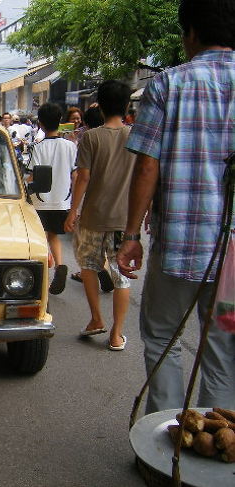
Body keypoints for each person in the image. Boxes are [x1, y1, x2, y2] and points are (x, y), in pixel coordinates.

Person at [117, 0, 235, 413]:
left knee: (164, 340)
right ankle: (216, 442)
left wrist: (131, 236)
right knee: (222, 347)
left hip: (181, 245)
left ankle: (165, 443)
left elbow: (148, 164)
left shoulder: (170, 84)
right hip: (233, 257)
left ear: (191, 33)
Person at [64, 80, 137, 351]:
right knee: (121, 277)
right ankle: (116, 335)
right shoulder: (136, 136)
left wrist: (73, 211)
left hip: (93, 218)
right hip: (124, 220)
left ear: (100, 106)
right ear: (127, 106)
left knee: (88, 268)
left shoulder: (91, 137)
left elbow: (83, 177)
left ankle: (96, 318)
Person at [27, 103, 78, 295]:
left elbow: (32, 176)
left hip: (40, 200)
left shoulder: (37, 148)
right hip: (62, 200)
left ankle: (45, 278)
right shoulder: (70, 146)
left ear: (40, 123)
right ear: (60, 121)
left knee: (40, 238)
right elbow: (75, 175)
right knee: (53, 235)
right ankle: (60, 265)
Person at [69, 105, 113, 291]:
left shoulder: (85, 138)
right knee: (107, 239)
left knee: (84, 241)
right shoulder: (121, 136)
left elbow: (81, 175)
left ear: (86, 122)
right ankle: (103, 267)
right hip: (113, 198)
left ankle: (90, 269)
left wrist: (73, 207)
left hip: (89, 195)